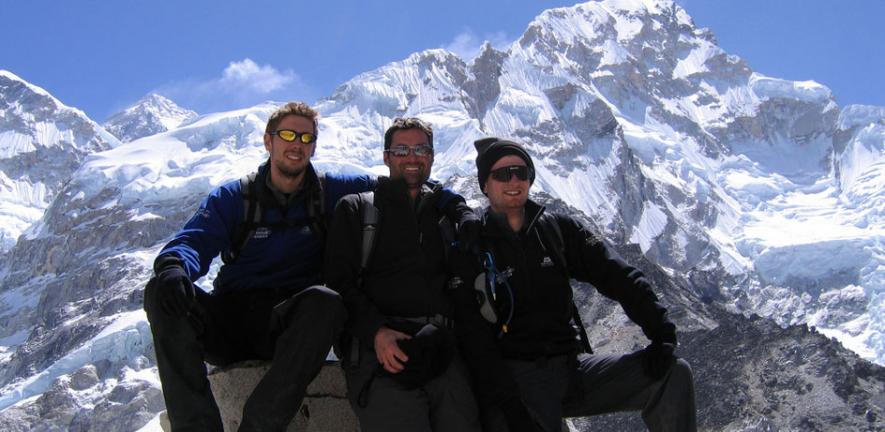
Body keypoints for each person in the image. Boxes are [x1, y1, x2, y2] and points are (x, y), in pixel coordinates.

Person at [143, 102, 378, 431]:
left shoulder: (331, 191)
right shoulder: (235, 197)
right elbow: (194, 241)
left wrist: (451, 204)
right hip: (229, 322)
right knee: (159, 291)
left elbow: (396, 186)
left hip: (287, 325)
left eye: (306, 137)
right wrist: (173, 266)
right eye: (287, 134)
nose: (297, 143)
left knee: (327, 302)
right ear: (268, 142)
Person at [452, 137, 697, 432]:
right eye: (502, 174)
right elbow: (474, 338)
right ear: (484, 185)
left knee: (672, 374)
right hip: (516, 381)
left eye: (521, 172)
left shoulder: (559, 230)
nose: (513, 180)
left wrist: (660, 331)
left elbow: (616, 275)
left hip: (573, 370)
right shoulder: (472, 247)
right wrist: (509, 404)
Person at [325, 117, 483, 432]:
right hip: (380, 354)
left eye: (421, 149)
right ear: (386, 157)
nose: (412, 157)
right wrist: (376, 332)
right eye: (401, 149)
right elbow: (339, 284)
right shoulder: (357, 210)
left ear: (432, 155)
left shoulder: (445, 214)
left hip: (443, 353)